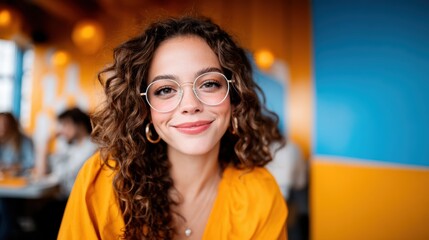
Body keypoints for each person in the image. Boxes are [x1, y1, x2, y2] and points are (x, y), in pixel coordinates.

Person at [59, 16, 287, 239]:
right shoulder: (101, 181)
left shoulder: (260, 193)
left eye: (209, 83)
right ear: (145, 109)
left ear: (234, 97)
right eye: (165, 89)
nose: (190, 105)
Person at [35, 107, 97, 239]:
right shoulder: (72, 146)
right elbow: (44, 171)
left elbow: (59, 176)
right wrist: (46, 145)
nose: (61, 130)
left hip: (76, 202)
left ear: (79, 125)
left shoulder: (91, 147)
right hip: (65, 198)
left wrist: (46, 145)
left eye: (65, 125)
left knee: (45, 216)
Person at [0, 112, 35, 239]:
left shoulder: (23, 140)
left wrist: (12, 167)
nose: (2, 127)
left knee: (6, 205)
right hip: (3, 185)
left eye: (5, 124)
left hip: (19, 185)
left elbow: (31, 164)